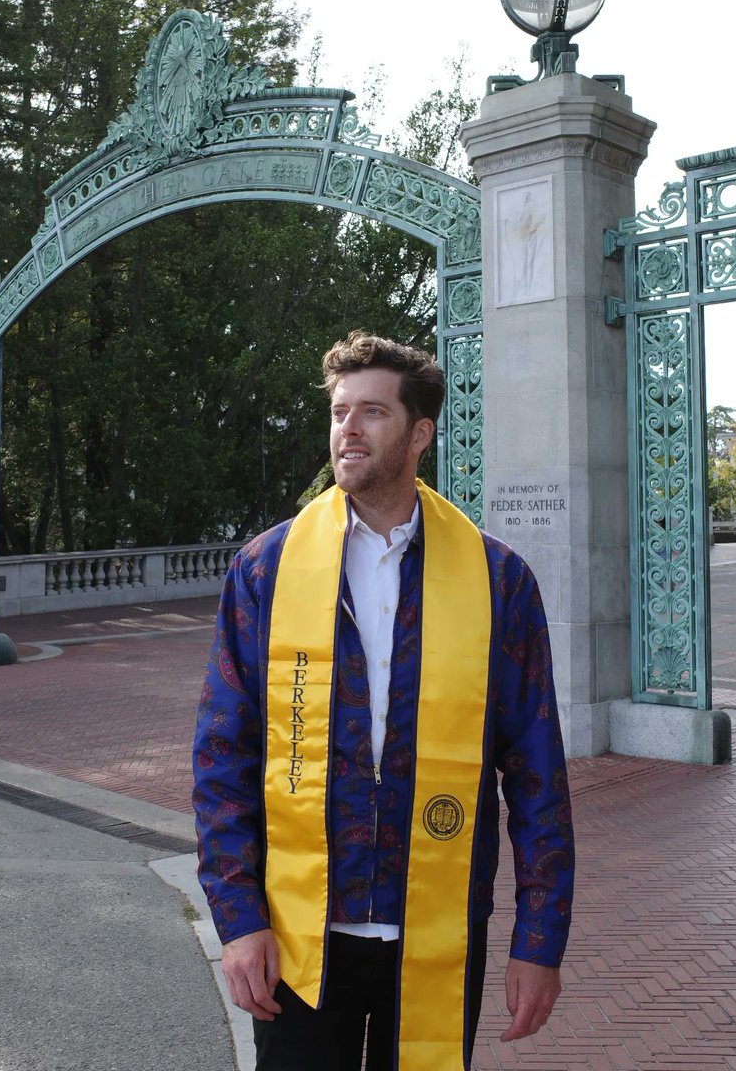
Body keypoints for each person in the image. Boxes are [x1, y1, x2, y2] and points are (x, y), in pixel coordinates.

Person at [192, 331, 573, 1071]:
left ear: (419, 432)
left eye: (372, 413)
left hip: (436, 928)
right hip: (300, 939)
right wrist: (238, 921)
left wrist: (540, 940)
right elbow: (223, 758)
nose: (348, 430)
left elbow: (537, 776)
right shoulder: (266, 571)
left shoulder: (497, 582)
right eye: (339, 413)